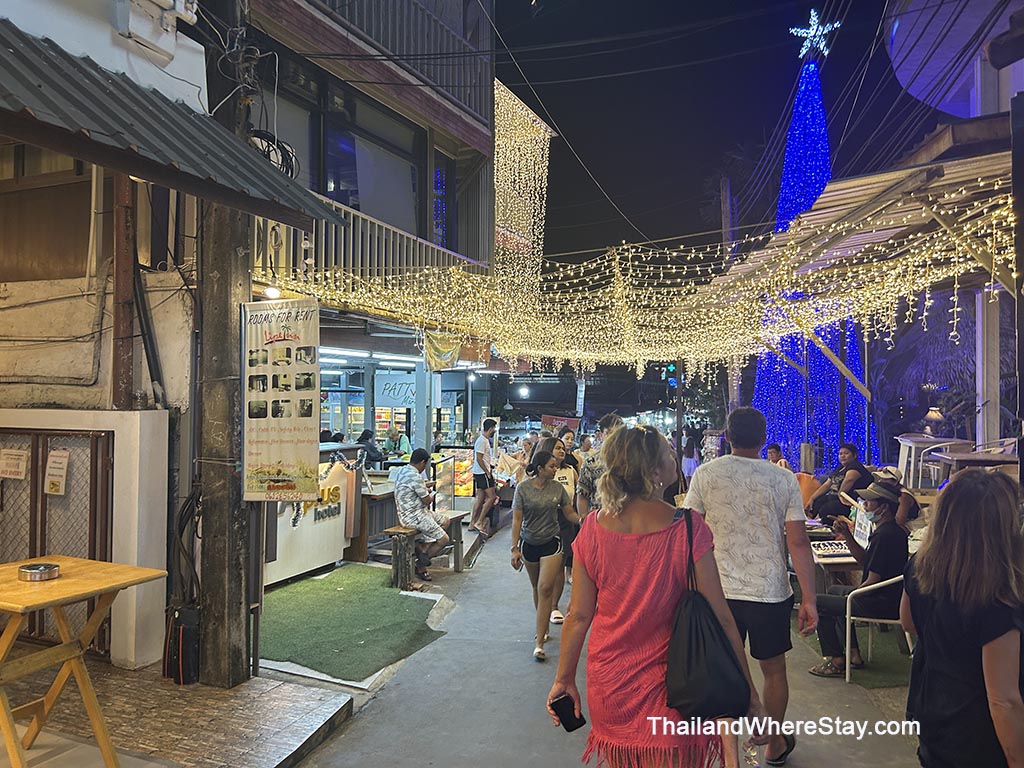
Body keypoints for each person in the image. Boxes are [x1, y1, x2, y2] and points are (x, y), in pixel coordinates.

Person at [546, 425, 768, 767]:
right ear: (654, 471)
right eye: (668, 452)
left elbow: (577, 616)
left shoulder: (592, 528)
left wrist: (564, 679)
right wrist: (750, 694)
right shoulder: (688, 528)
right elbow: (721, 616)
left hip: (610, 681)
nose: (674, 456)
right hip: (680, 684)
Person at [684, 407, 818, 767]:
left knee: (724, 670)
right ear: (762, 439)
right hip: (769, 590)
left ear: (727, 436)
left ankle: (730, 755)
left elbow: (690, 532)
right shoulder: (782, 478)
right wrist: (810, 597)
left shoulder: (706, 475)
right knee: (774, 670)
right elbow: (798, 542)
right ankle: (773, 745)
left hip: (717, 590)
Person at [900, 470, 1024, 767]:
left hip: (934, 714)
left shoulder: (920, 566)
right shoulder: (997, 599)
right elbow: (1003, 701)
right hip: (981, 737)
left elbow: (907, 622)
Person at [808, 477, 908, 678]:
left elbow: (874, 580)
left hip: (880, 602)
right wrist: (847, 535)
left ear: (884, 508)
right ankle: (853, 654)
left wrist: (854, 594)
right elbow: (865, 561)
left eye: (870, 503)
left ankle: (836, 659)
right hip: (882, 595)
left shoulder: (886, 535)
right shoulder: (886, 531)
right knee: (835, 591)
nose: (865, 506)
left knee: (818, 602)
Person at [510, 450, 580, 661]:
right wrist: (514, 548)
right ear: (539, 468)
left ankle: (539, 643)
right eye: (551, 466)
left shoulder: (558, 488)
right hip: (529, 543)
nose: (555, 468)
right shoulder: (523, 489)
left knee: (545, 587)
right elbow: (516, 520)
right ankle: (543, 627)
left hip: (552, 542)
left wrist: (586, 520)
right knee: (536, 588)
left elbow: (569, 513)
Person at [536, 437, 579, 626]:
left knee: (560, 564)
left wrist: (582, 520)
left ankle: (554, 607)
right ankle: (541, 607)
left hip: (565, 522)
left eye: (563, 448)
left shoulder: (570, 471)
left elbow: (576, 497)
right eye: (557, 448)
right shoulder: (535, 476)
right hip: (541, 523)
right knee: (541, 570)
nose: (562, 451)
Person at [393, 448, 449, 581]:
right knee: (444, 539)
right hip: (413, 516)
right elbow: (427, 500)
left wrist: (424, 490)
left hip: (417, 512)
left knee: (445, 520)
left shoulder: (403, 470)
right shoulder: (415, 476)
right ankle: (420, 564)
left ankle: (423, 548)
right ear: (423, 462)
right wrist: (432, 494)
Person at [804, 443, 871, 522]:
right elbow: (827, 485)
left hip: (850, 501)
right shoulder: (840, 469)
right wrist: (812, 498)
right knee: (818, 501)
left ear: (854, 455)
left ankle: (820, 524)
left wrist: (840, 495)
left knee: (827, 508)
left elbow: (849, 480)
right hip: (836, 498)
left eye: (846, 453)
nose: (842, 456)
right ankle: (812, 522)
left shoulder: (856, 467)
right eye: (840, 454)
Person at [575, 412, 625, 518]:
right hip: (598, 521)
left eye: (617, 434)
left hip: (626, 521)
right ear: (601, 435)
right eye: (609, 433)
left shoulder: (632, 461)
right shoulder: (591, 462)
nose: (613, 437)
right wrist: (584, 521)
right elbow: (582, 495)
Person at [469, 418, 497, 537]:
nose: (494, 431)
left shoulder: (483, 440)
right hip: (482, 473)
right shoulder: (482, 441)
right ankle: (479, 521)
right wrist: (487, 471)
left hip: (480, 472)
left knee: (480, 497)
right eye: (494, 428)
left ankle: (472, 523)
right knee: (492, 497)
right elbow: (479, 458)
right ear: (490, 429)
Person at [873, 466, 921, 530]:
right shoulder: (891, 493)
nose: (880, 481)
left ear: (895, 481)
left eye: (884, 479)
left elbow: (899, 521)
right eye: (880, 478)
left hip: (912, 529)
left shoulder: (904, 496)